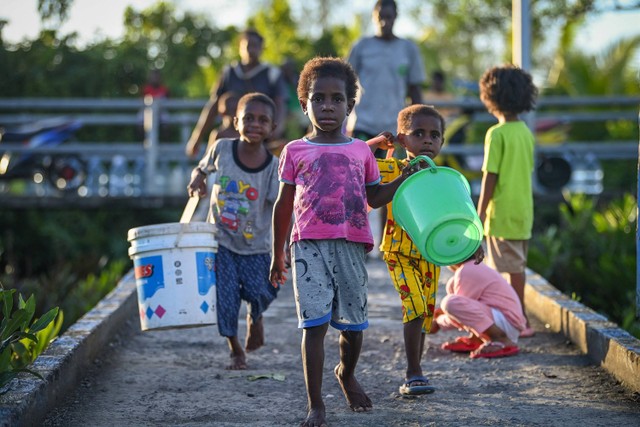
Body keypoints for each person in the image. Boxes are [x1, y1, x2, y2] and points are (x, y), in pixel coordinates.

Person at [269, 57, 423, 427]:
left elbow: (374, 197)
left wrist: (404, 175)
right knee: (313, 325)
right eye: (317, 98)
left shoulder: (360, 151)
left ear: (351, 106)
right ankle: (315, 405)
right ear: (304, 103)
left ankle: (346, 372)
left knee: (354, 327)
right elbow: (283, 204)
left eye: (336, 99)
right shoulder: (294, 150)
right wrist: (277, 254)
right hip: (307, 246)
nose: (326, 106)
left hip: (352, 245)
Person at [367, 104, 483, 395]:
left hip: (430, 255)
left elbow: (458, 216)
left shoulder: (442, 177)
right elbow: (353, 161)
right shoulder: (392, 167)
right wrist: (377, 145)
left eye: (434, 135)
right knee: (415, 308)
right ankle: (413, 372)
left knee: (425, 315)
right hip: (398, 251)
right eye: (418, 134)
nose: (428, 140)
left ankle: (416, 370)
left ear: (442, 142)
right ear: (402, 140)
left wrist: (473, 242)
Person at [187, 92, 280, 370]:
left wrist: (283, 247)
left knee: (262, 291)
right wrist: (197, 180)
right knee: (225, 298)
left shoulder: (273, 167)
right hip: (221, 241)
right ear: (236, 121)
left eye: (262, 120)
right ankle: (235, 349)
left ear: (272, 128)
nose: (255, 124)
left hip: (257, 245)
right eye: (248, 118)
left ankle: (256, 316)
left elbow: (279, 208)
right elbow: (201, 169)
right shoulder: (222, 148)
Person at [476, 64, 538, 338]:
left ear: (491, 97)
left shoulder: (496, 134)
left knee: (504, 272)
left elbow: (491, 177)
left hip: (501, 213)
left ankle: (518, 320)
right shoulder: (525, 132)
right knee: (517, 268)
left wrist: (478, 214)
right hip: (523, 211)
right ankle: (518, 317)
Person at [185, 29, 288, 158]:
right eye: (248, 45)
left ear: (262, 49)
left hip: (261, 134)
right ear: (240, 47)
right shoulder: (229, 72)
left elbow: (281, 105)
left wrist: (274, 132)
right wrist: (197, 138)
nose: (251, 50)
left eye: (255, 46)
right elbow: (213, 104)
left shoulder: (272, 73)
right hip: (233, 132)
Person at [346, 0, 426, 158]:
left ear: (395, 17)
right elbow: (343, 83)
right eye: (380, 17)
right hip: (363, 124)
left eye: (388, 17)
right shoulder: (361, 46)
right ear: (373, 17)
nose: (384, 22)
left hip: (394, 129)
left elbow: (414, 89)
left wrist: (418, 126)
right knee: (359, 173)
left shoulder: (408, 49)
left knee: (391, 175)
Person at [430, 256, 527, 359]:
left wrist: (438, 322)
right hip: (504, 321)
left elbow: (460, 310)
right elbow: (468, 308)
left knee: (450, 303)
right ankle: (476, 338)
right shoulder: (473, 267)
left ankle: (501, 339)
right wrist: (443, 315)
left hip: (505, 323)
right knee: (452, 289)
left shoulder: (467, 270)